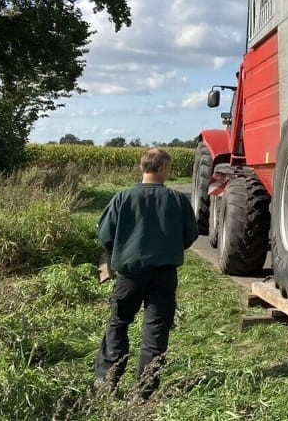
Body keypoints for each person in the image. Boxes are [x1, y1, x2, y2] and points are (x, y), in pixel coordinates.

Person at [94, 147, 198, 399]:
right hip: (163, 276)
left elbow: (105, 235)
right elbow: (190, 235)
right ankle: (144, 390)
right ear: (162, 167)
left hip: (129, 275)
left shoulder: (122, 198)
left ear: (144, 168)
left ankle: (107, 382)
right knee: (155, 331)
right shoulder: (176, 200)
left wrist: (120, 251)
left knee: (118, 324)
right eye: (169, 167)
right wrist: (168, 248)